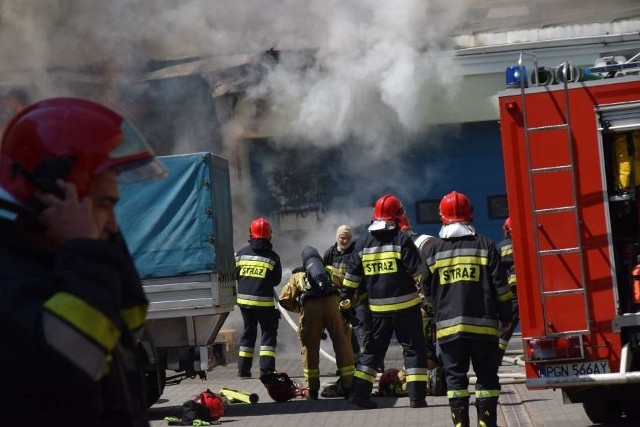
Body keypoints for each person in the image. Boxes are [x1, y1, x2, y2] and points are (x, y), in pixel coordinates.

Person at [0, 97, 168, 426]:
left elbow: (129, 316)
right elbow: (74, 361)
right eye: (104, 204)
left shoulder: (60, 260)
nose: (114, 224)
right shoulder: (10, 278)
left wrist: (93, 242)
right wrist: (84, 246)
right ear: (58, 196)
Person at [420, 191, 513, 427]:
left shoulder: (433, 250)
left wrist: (437, 311)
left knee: (455, 381)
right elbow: (500, 287)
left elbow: (426, 290)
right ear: (470, 215)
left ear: (442, 217)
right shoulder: (486, 246)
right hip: (484, 329)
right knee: (486, 378)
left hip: (449, 331)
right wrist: (506, 315)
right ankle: (487, 424)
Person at [341, 194, 428, 409]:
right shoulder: (402, 239)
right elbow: (419, 273)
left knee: (373, 351)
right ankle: (417, 399)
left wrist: (345, 301)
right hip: (407, 308)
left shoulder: (362, 243)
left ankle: (359, 394)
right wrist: (428, 298)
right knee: (414, 351)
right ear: (397, 216)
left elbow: (351, 279)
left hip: (378, 310)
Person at [279, 246, 355, 400]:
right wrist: (346, 306)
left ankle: (311, 390)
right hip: (333, 305)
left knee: (310, 348)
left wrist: (299, 308)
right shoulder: (330, 271)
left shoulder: (298, 276)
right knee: (342, 343)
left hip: (310, 308)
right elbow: (350, 288)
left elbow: (284, 299)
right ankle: (349, 386)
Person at [235, 217, 282, 378]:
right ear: (270, 235)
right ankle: (266, 370)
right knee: (268, 332)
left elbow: (236, 275)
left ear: (251, 233)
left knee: (248, 333)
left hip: (244, 303)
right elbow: (276, 281)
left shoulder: (240, 254)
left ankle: (243, 370)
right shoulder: (273, 257)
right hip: (264, 303)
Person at [323, 225, 362, 364]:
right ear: (337, 237)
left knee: (363, 330)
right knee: (345, 331)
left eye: (348, 238)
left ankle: (372, 364)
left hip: (357, 298)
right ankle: (353, 361)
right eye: (342, 238)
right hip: (339, 299)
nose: (345, 241)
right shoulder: (330, 254)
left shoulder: (356, 252)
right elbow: (324, 273)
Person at [496, 217, 520, 358]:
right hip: (530, 293)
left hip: (511, 294)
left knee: (505, 328)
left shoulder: (499, 248)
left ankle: (495, 358)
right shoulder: (528, 242)